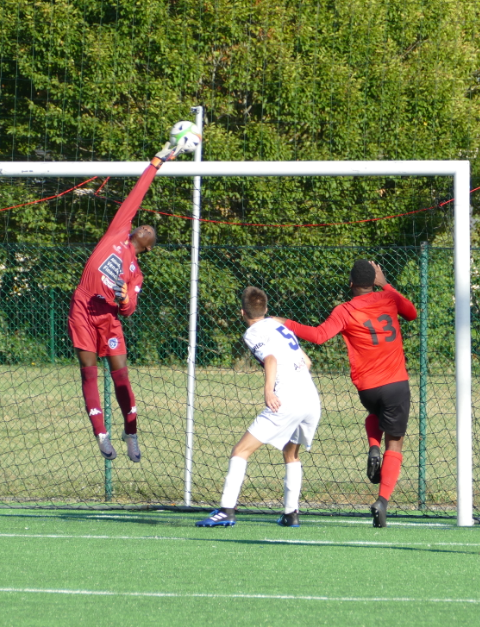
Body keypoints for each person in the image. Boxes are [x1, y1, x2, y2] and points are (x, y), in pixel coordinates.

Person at [69, 138, 184, 462]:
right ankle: (101, 434)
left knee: (121, 375)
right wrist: (157, 162)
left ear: (147, 246)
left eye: (152, 231)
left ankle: (130, 431)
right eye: (144, 225)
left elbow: (130, 308)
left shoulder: (137, 274)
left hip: (109, 318)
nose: (147, 226)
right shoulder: (119, 232)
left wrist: (122, 300)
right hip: (83, 308)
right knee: (88, 370)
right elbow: (137, 196)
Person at [279, 260, 417, 528]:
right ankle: (383, 501)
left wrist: (286, 322)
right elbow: (411, 313)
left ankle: (373, 446)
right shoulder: (388, 297)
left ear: (351, 284)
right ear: (373, 280)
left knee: (374, 414)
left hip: (368, 388)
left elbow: (318, 336)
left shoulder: (344, 310)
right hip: (397, 382)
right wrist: (385, 282)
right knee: (396, 443)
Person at [196, 287, 321, 528]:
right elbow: (307, 361)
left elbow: (271, 359)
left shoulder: (253, 332)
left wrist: (269, 391)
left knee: (240, 450)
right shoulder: (280, 326)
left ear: (242, 312)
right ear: (265, 309)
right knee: (291, 453)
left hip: (288, 399)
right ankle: (290, 514)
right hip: (311, 399)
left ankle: (226, 510)